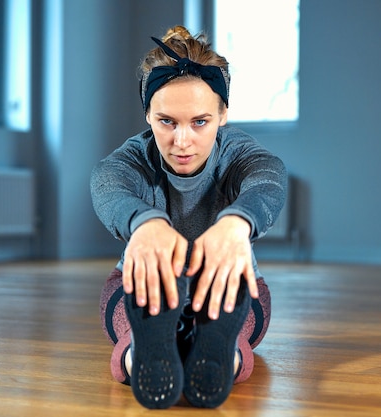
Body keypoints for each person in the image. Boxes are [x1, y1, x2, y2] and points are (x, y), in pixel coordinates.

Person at [90, 25, 287, 409]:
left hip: (229, 281)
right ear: (147, 113)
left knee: (242, 318)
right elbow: (107, 182)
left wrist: (237, 222)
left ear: (223, 113)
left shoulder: (235, 152)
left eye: (200, 122)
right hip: (146, 281)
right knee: (123, 312)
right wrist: (145, 224)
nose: (182, 141)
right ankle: (141, 355)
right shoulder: (136, 158)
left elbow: (268, 175)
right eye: (167, 121)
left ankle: (218, 357)